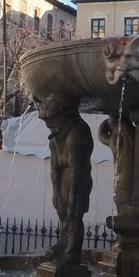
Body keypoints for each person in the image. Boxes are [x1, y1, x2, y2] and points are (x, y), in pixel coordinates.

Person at [36, 95, 93, 264]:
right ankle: (63, 243)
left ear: (65, 114)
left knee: (74, 213)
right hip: (64, 176)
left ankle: (73, 252)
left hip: (78, 178)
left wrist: (74, 194)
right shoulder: (56, 136)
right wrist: (56, 192)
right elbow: (54, 167)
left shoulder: (76, 134)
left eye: (53, 120)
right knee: (62, 212)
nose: (49, 125)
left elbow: (77, 168)